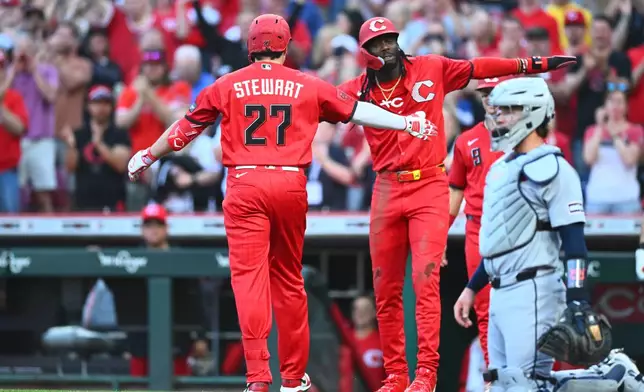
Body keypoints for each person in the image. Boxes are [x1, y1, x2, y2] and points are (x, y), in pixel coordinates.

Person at [126, 14, 437, 392]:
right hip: (290, 181)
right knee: (289, 279)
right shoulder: (307, 83)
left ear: (250, 47)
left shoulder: (227, 84)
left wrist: (147, 155)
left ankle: (258, 377)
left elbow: (186, 129)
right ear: (286, 47)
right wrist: (406, 123)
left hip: (244, 182)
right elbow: (357, 111)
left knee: (249, 280)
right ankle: (293, 378)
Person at [334, 16, 577, 392]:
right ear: (365, 54)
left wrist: (535, 65)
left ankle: (426, 375)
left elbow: (482, 68)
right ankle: (397, 375)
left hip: (429, 182)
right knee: (384, 287)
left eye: (390, 39)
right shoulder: (357, 89)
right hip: (385, 186)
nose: (387, 47)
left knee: (425, 282)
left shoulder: (431, 67)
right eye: (377, 43)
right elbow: (315, 103)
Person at [452, 77, 644, 392]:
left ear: (532, 112)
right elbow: (502, 241)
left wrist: (578, 298)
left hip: (534, 289)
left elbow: (574, 243)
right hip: (499, 289)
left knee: (524, 386)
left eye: (507, 111)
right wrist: (472, 288)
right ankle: (612, 376)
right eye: (497, 110)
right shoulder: (501, 168)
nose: (497, 117)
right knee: (504, 385)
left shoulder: (554, 168)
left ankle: (613, 377)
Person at [446, 77, 509, 368]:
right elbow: (455, 189)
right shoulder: (466, 139)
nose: (489, 100)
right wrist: (438, 238)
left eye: (495, 94)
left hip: (515, 227)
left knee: (521, 303)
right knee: (484, 308)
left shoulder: (526, 136)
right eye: (484, 94)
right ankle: (492, 377)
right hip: (477, 228)